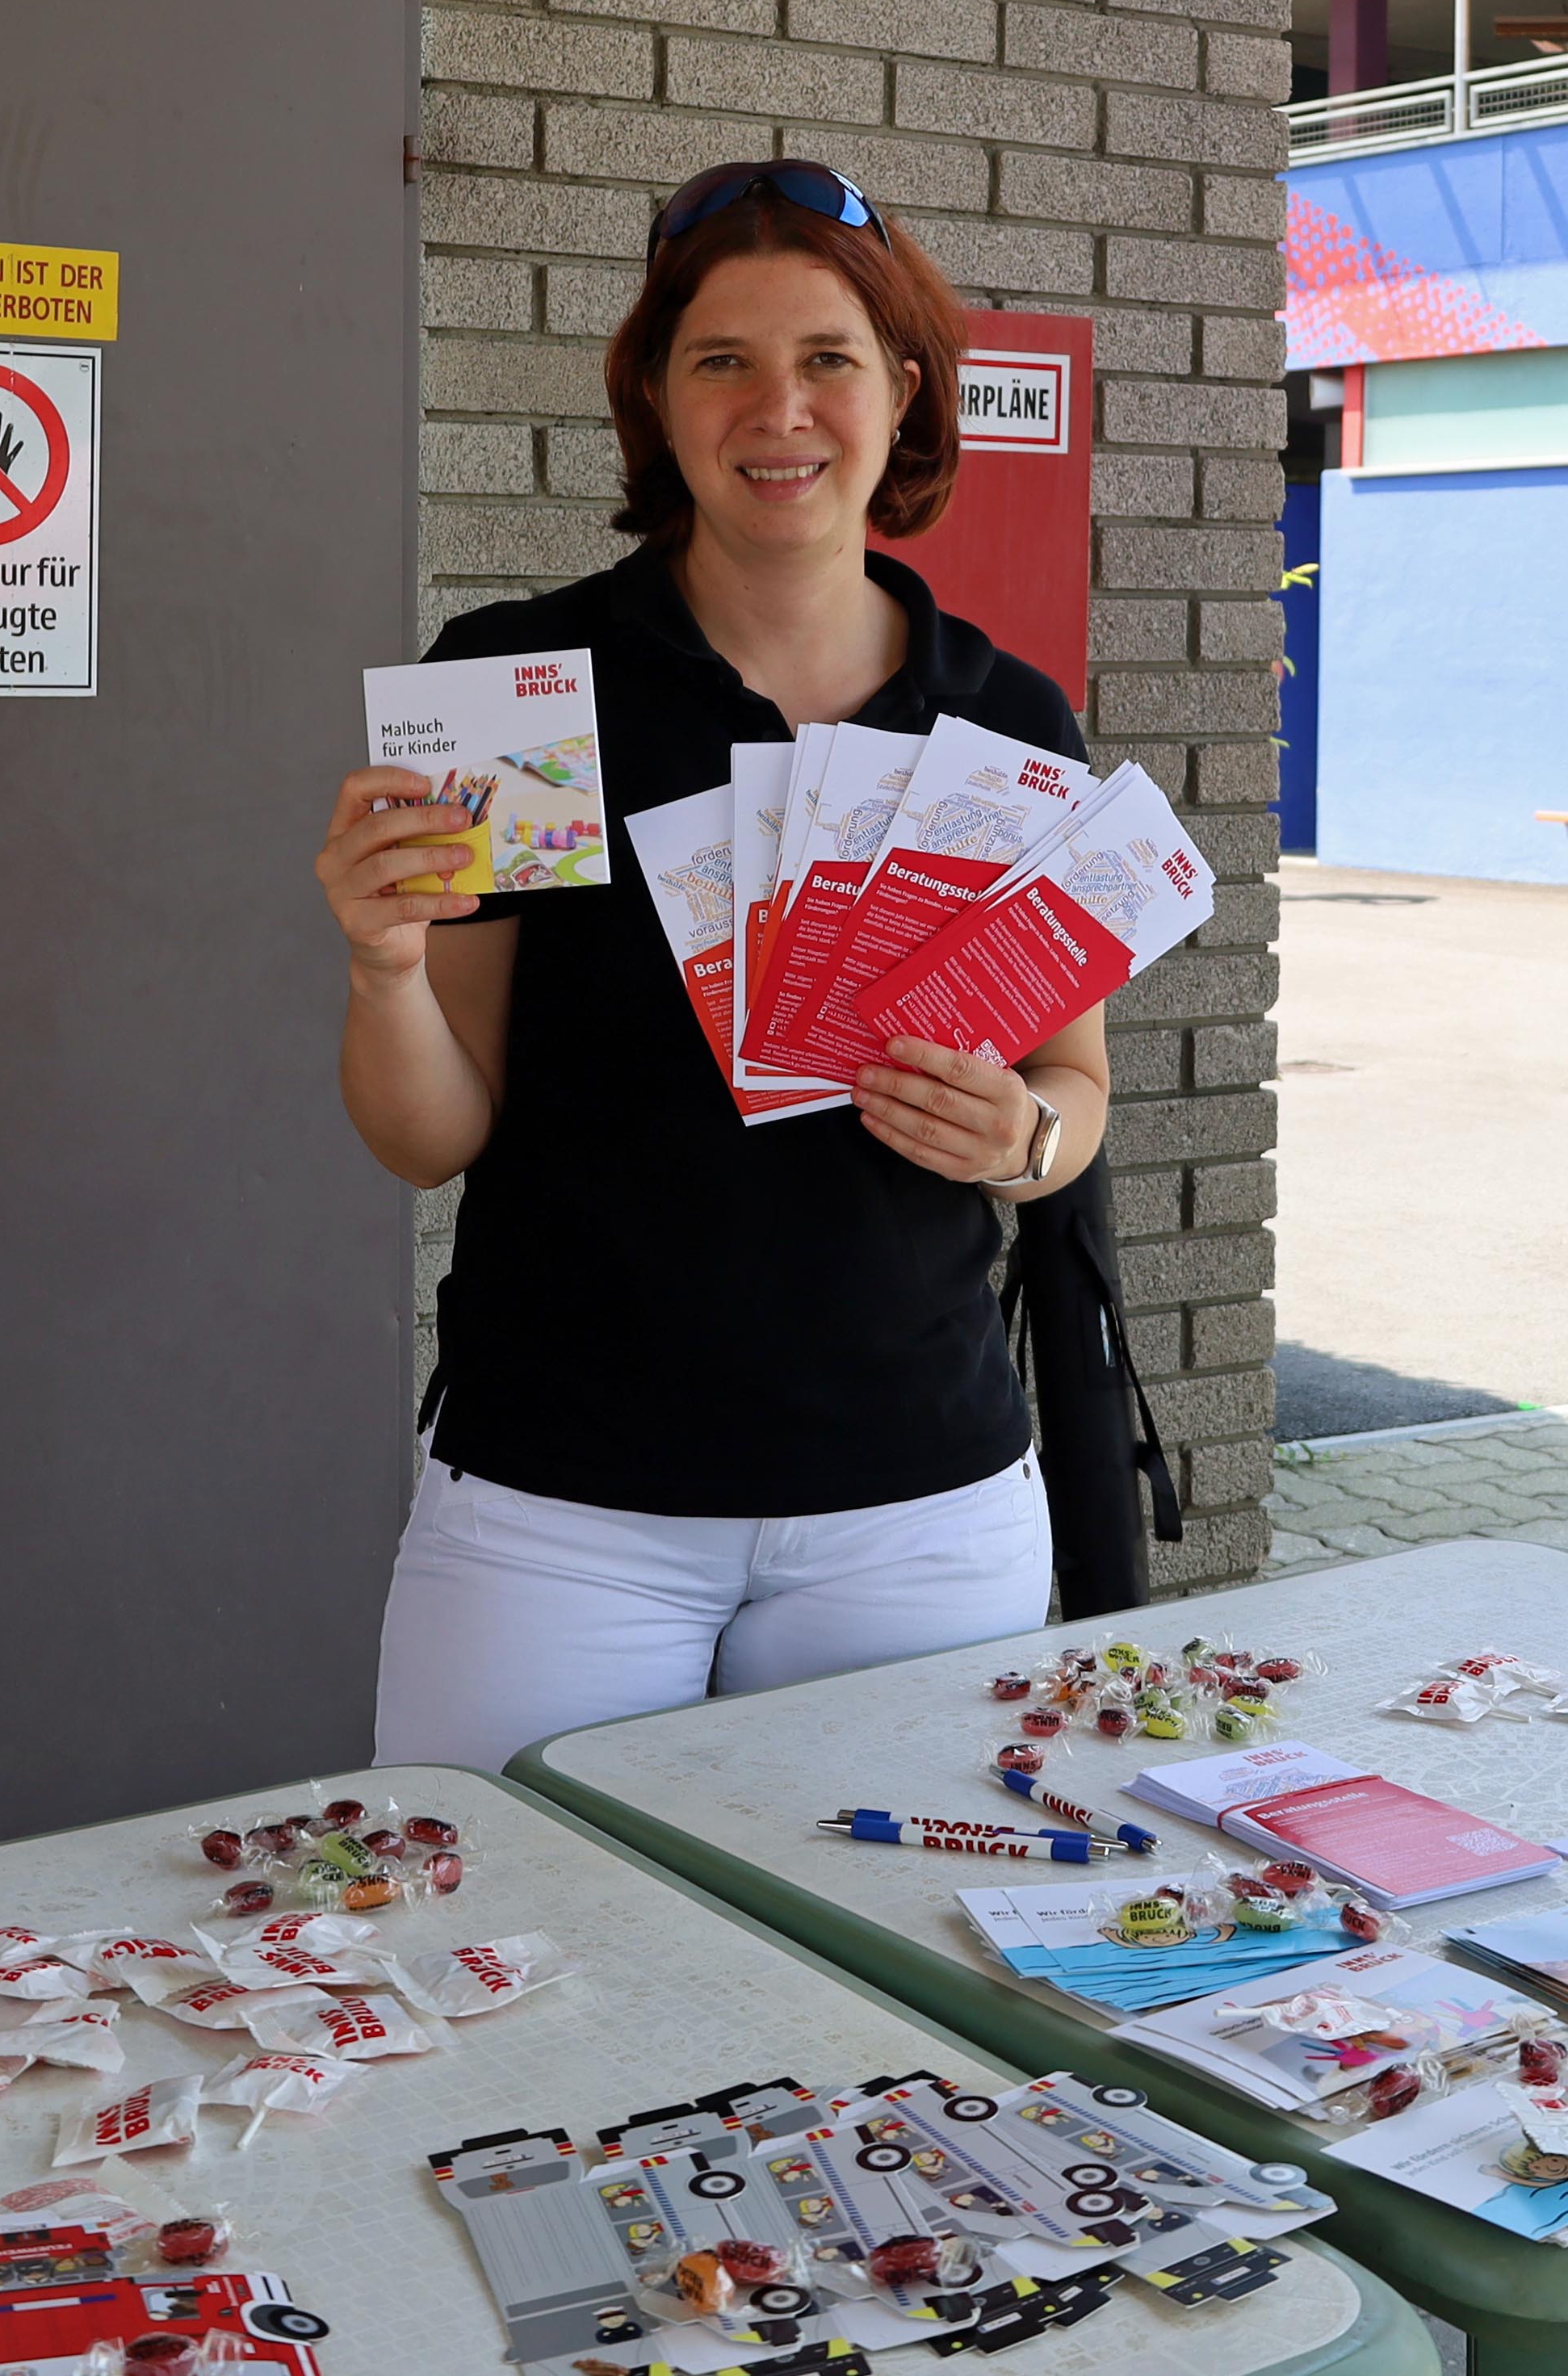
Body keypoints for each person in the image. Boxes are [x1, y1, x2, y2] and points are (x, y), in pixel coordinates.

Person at [322, 161, 1107, 1770]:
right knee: (515, 1963)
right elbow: (427, 1133)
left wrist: (1022, 1139)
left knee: (878, 1985)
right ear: (656, 404)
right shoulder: (513, 686)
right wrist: (383, 965)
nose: (780, 407)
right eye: (721, 360)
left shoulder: (1004, 720)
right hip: (559, 1505)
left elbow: (1071, 1088)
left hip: (920, 1508)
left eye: (826, 357)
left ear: (900, 392)